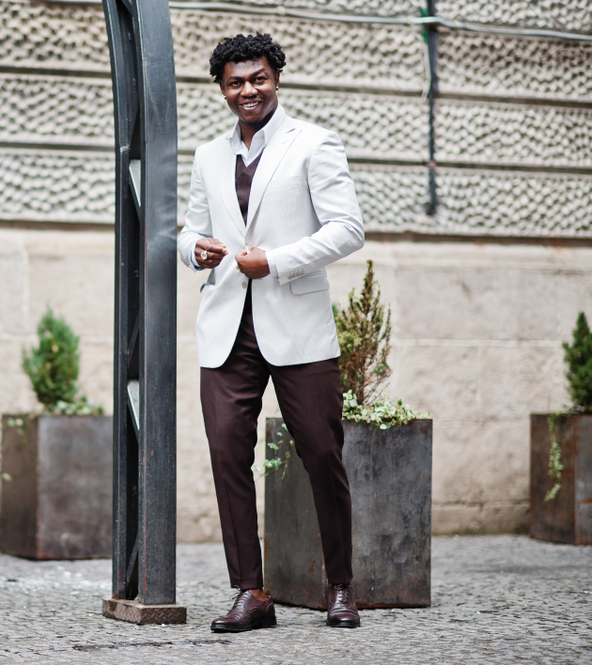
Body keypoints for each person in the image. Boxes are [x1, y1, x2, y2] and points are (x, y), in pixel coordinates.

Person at [177, 33, 365, 631]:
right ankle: (251, 593)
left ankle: (339, 586)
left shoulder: (314, 143)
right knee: (228, 455)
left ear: (276, 79)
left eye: (257, 78)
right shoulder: (208, 155)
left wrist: (276, 260)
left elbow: (347, 229)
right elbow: (188, 229)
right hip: (227, 328)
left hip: (297, 326)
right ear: (223, 89)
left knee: (320, 454)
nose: (247, 90)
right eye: (235, 82)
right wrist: (195, 250)